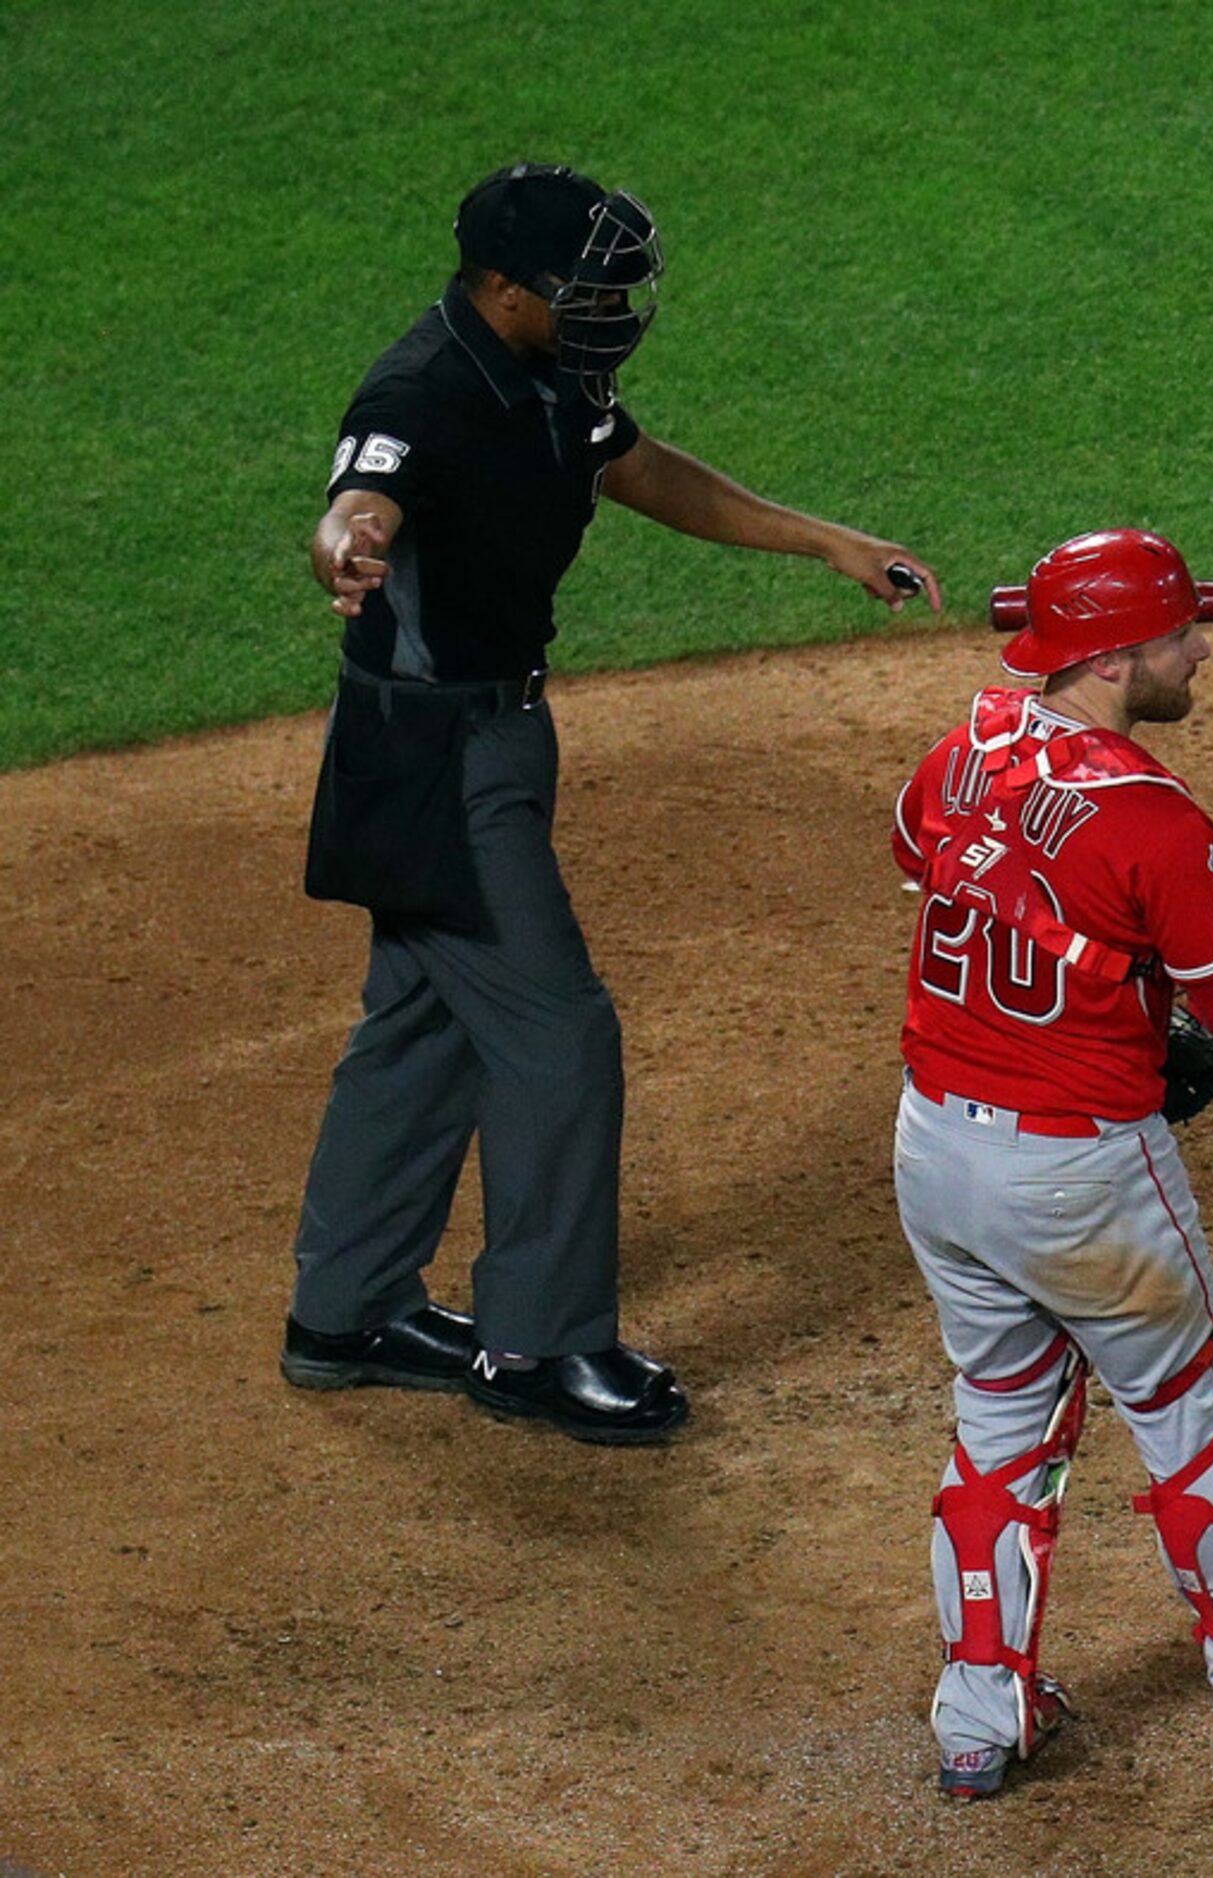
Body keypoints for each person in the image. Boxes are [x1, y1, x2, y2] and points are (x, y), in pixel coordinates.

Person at [281, 162, 941, 1445]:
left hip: (491, 740)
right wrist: (345, 545)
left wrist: (822, 539)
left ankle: (346, 1311)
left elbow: (636, 468)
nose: (617, 308)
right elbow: (360, 495)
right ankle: (539, 1345)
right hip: (435, 761)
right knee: (558, 1035)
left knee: (423, 1021)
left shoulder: (550, 375)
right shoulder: (423, 389)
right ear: (503, 288)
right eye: (590, 289)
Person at [889, 528, 1213, 1794]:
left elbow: (916, 851)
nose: (1200, 649)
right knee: (1194, 1408)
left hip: (935, 1147)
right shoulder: (1151, 816)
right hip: (1079, 1174)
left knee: (996, 1424)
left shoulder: (968, 749)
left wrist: (1073, 942)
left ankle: (978, 1721)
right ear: (1111, 659)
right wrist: (1141, 986)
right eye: (1177, 636)